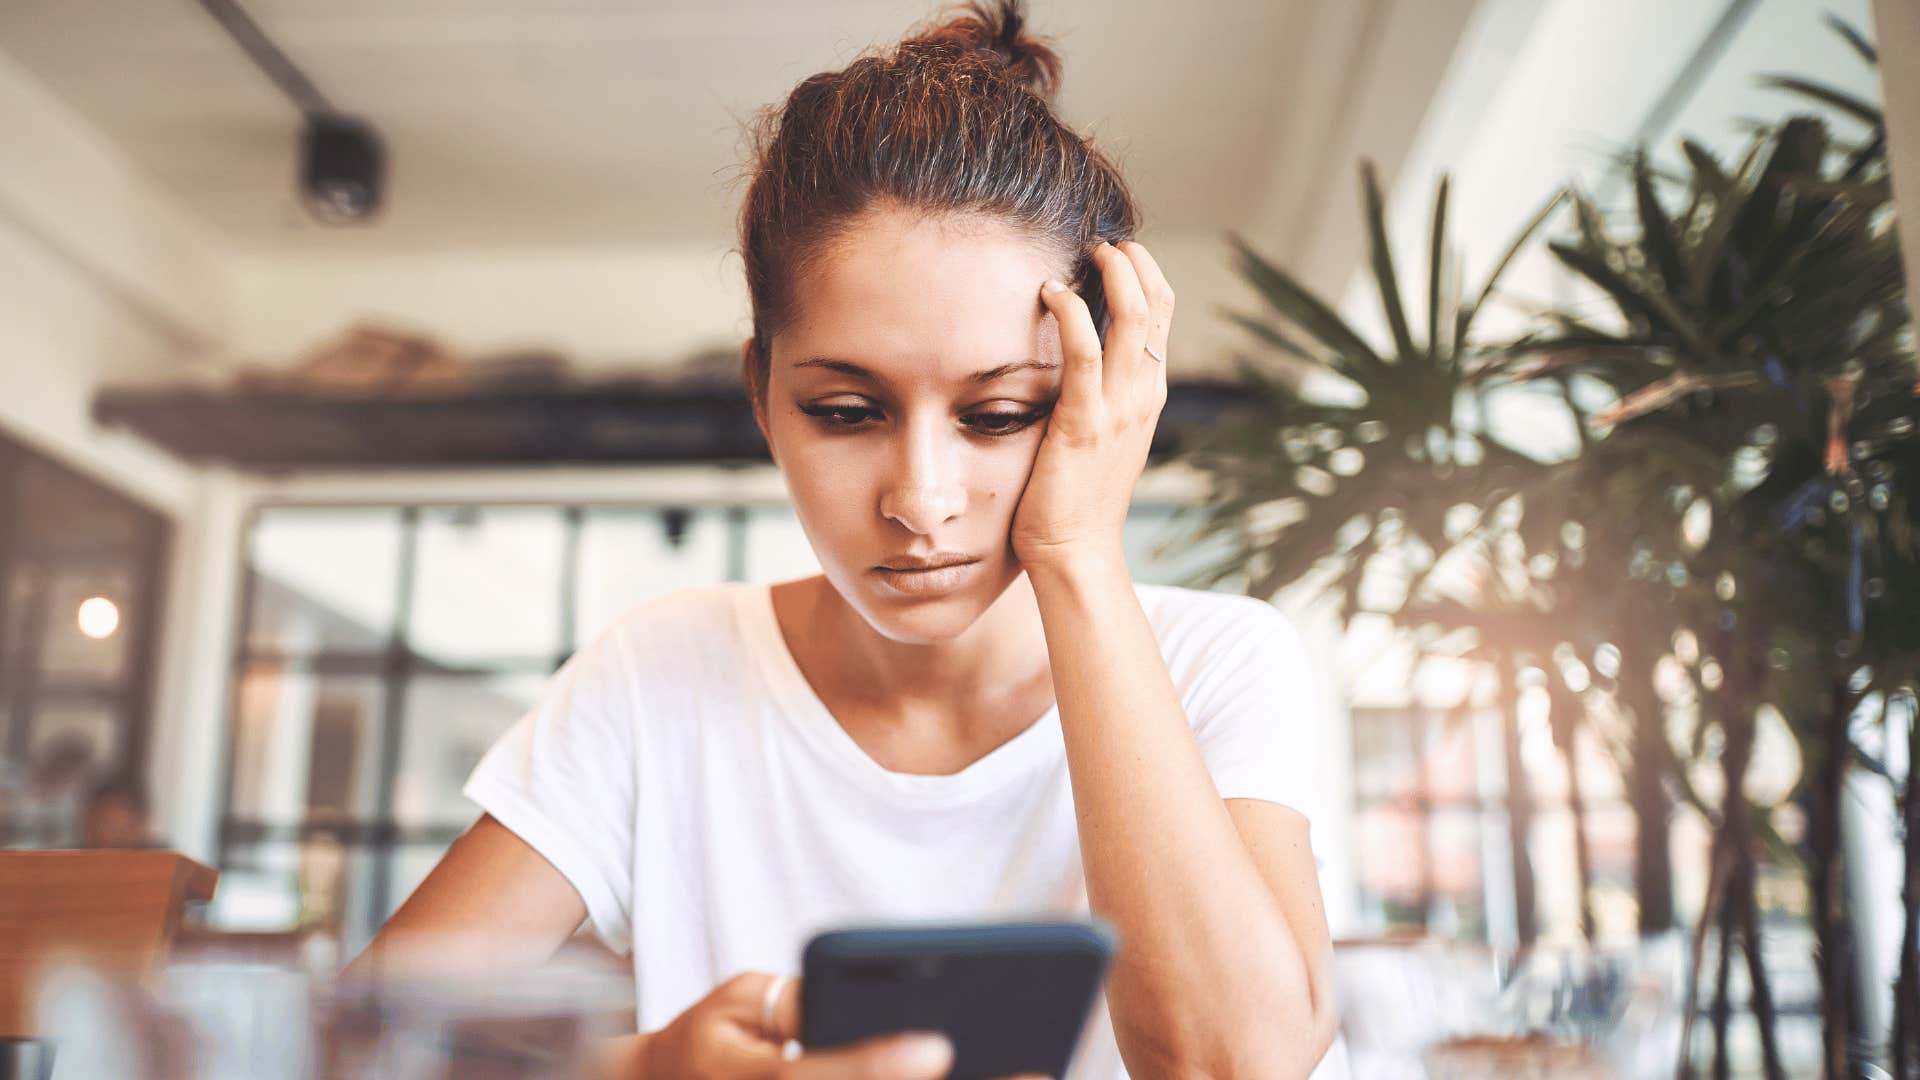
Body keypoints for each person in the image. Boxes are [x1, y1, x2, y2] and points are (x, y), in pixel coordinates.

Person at [350, 2, 1340, 1077]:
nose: (921, 499)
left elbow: (1236, 1067)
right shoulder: (662, 672)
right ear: (763, 399)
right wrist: (634, 1072)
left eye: (1000, 414)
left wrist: (1080, 558)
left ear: (1099, 405)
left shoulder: (1221, 664)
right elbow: (353, 1049)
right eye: (846, 411)